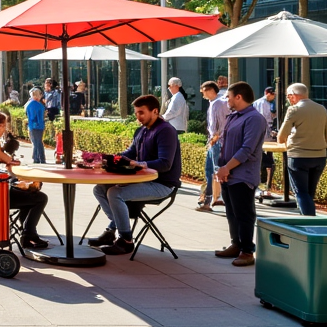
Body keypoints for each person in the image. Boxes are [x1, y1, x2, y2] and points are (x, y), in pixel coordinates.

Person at [88, 95, 182, 256]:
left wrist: (141, 164)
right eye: (136, 113)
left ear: (155, 111)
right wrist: (105, 158)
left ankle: (126, 241)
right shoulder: (142, 130)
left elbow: (165, 163)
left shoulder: (166, 131)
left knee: (115, 193)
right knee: (100, 189)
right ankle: (114, 229)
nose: (138, 116)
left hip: (162, 184)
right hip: (141, 181)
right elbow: (129, 153)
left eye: (141, 112)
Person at [0, 111, 49, 250]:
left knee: (30, 196)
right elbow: (0, 157)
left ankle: (28, 233)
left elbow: (0, 160)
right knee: (40, 198)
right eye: (1, 126)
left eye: (4, 126)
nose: (3, 129)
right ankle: (28, 235)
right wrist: (11, 161)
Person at [215, 82, 268, 267]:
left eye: (229, 96)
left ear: (239, 97)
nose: (226, 100)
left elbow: (247, 149)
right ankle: (236, 244)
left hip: (243, 175)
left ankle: (247, 251)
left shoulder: (254, 118)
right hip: (228, 174)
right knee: (231, 212)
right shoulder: (233, 117)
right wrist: (222, 168)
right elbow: (226, 145)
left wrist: (227, 168)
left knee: (244, 213)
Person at [278, 83, 327, 216]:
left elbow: (281, 136)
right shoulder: (321, 108)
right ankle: (308, 218)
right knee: (309, 194)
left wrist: (286, 140)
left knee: (301, 192)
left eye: (289, 96)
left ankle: (309, 222)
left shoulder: (294, 110)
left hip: (298, 155)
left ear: (294, 95)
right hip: (319, 155)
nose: (288, 99)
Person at [197, 82, 229, 212]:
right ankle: (209, 199)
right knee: (211, 170)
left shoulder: (217, 104)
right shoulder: (216, 103)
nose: (203, 94)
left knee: (214, 171)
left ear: (209, 90)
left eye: (203, 91)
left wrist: (215, 138)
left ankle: (215, 198)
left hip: (217, 142)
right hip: (215, 141)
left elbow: (220, 124)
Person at [24, 88, 47, 164]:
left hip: (32, 125)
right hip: (40, 125)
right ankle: (41, 158)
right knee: (39, 142)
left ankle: (36, 158)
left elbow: (29, 115)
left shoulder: (28, 105)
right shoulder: (40, 106)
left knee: (35, 142)